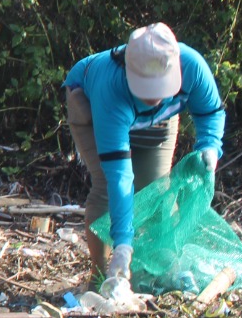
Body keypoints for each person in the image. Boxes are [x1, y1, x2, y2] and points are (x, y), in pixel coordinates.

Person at [64, 23, 225, 282]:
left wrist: (209, 146)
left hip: (158, 118)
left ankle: (158, 270)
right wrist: (123, 245)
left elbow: (210, 112)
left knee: (156, 192)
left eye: (160, 88)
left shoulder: (192, 67)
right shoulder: (111, 88)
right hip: (92, 105)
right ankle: (102, 274)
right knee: (106, 188)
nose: (154, 97)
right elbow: (120, 176)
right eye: (147, 89)